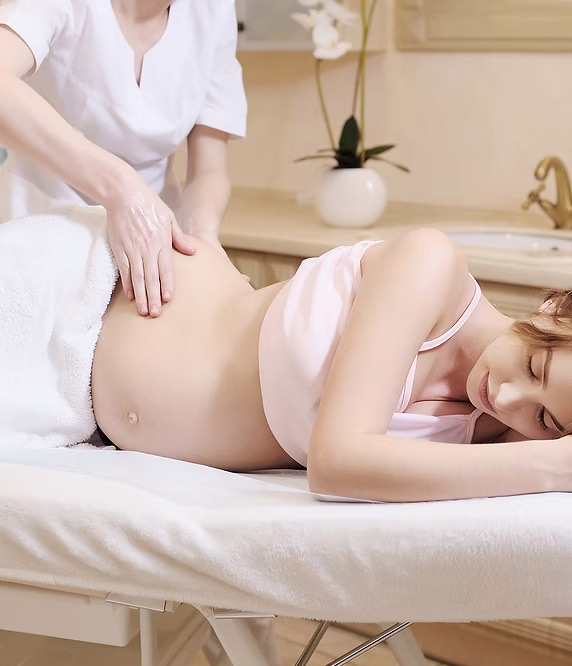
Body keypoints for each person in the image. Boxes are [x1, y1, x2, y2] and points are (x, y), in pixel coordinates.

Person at [91, 225, 572, 503]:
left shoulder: (514, 437)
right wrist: (551, 464)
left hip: (99, 416)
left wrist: (546, 444)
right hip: (104, 300)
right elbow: (335, 463)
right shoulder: (430, 265)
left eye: (545, 417)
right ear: (551, 309)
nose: (505, 398)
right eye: (534, 367)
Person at [0, 0, 246, 317]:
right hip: (43, 232)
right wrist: (120, 188)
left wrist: (203, 238)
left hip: (149, 246)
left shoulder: (213, 9)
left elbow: (208, 170)